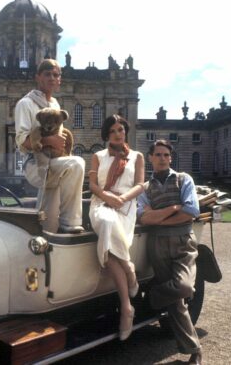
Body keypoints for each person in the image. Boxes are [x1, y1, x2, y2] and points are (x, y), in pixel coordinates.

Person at [137, 139, 203, 365]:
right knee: (176, 304)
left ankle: (153, 297)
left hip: (184, 241)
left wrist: (160, 218)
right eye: (158, 154)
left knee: (184, 287)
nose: (162, 158)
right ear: (150, 158)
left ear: (171, 158)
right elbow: (143, 217)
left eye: (166, 154)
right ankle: (194, 350)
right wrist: (174, 208)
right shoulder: (145, 188)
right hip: (157, 245)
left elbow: (192, 211)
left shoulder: (184, 179)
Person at [88, 115, 145, 340]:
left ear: (125, 132)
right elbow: (92, 185)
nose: (118, 134)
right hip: (101, 204)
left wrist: (122, 199)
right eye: (112, 131)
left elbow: (140, 184)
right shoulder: (98, 156)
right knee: (107, 223)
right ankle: (129, 270)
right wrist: (107, 197)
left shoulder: (137, 156)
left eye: (120, 129)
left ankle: (126, 308)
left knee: (109, 251)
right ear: (106, 135)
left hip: (126, 206)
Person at [15, 59, 85, 233]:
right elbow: (22, 142)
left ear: (60, 79)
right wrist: (47, 141)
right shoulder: (26, 103)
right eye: (47, 74)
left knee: (48, 223)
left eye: (56, 75)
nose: (52, 78)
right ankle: (70, 223)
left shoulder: (55, 105)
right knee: (76, 164)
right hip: (35, 164)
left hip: (55, 162)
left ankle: (45, 235)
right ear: (38, 77)